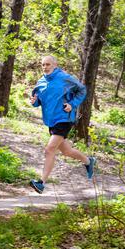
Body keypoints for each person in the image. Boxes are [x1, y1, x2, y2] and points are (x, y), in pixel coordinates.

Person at [29, 55, 96, 194]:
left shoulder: (65, 78)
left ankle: (41, 183)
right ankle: (88, 161)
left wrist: (72, 104)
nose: (45, 67)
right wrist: (34, 101)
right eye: (43, 64)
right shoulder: (41, 82)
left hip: (64, 118)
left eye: (48, 64)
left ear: (55, 65)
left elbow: (82, 90)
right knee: (66, 151)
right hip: (51, 120)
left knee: (49, 149)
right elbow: (37, 102)